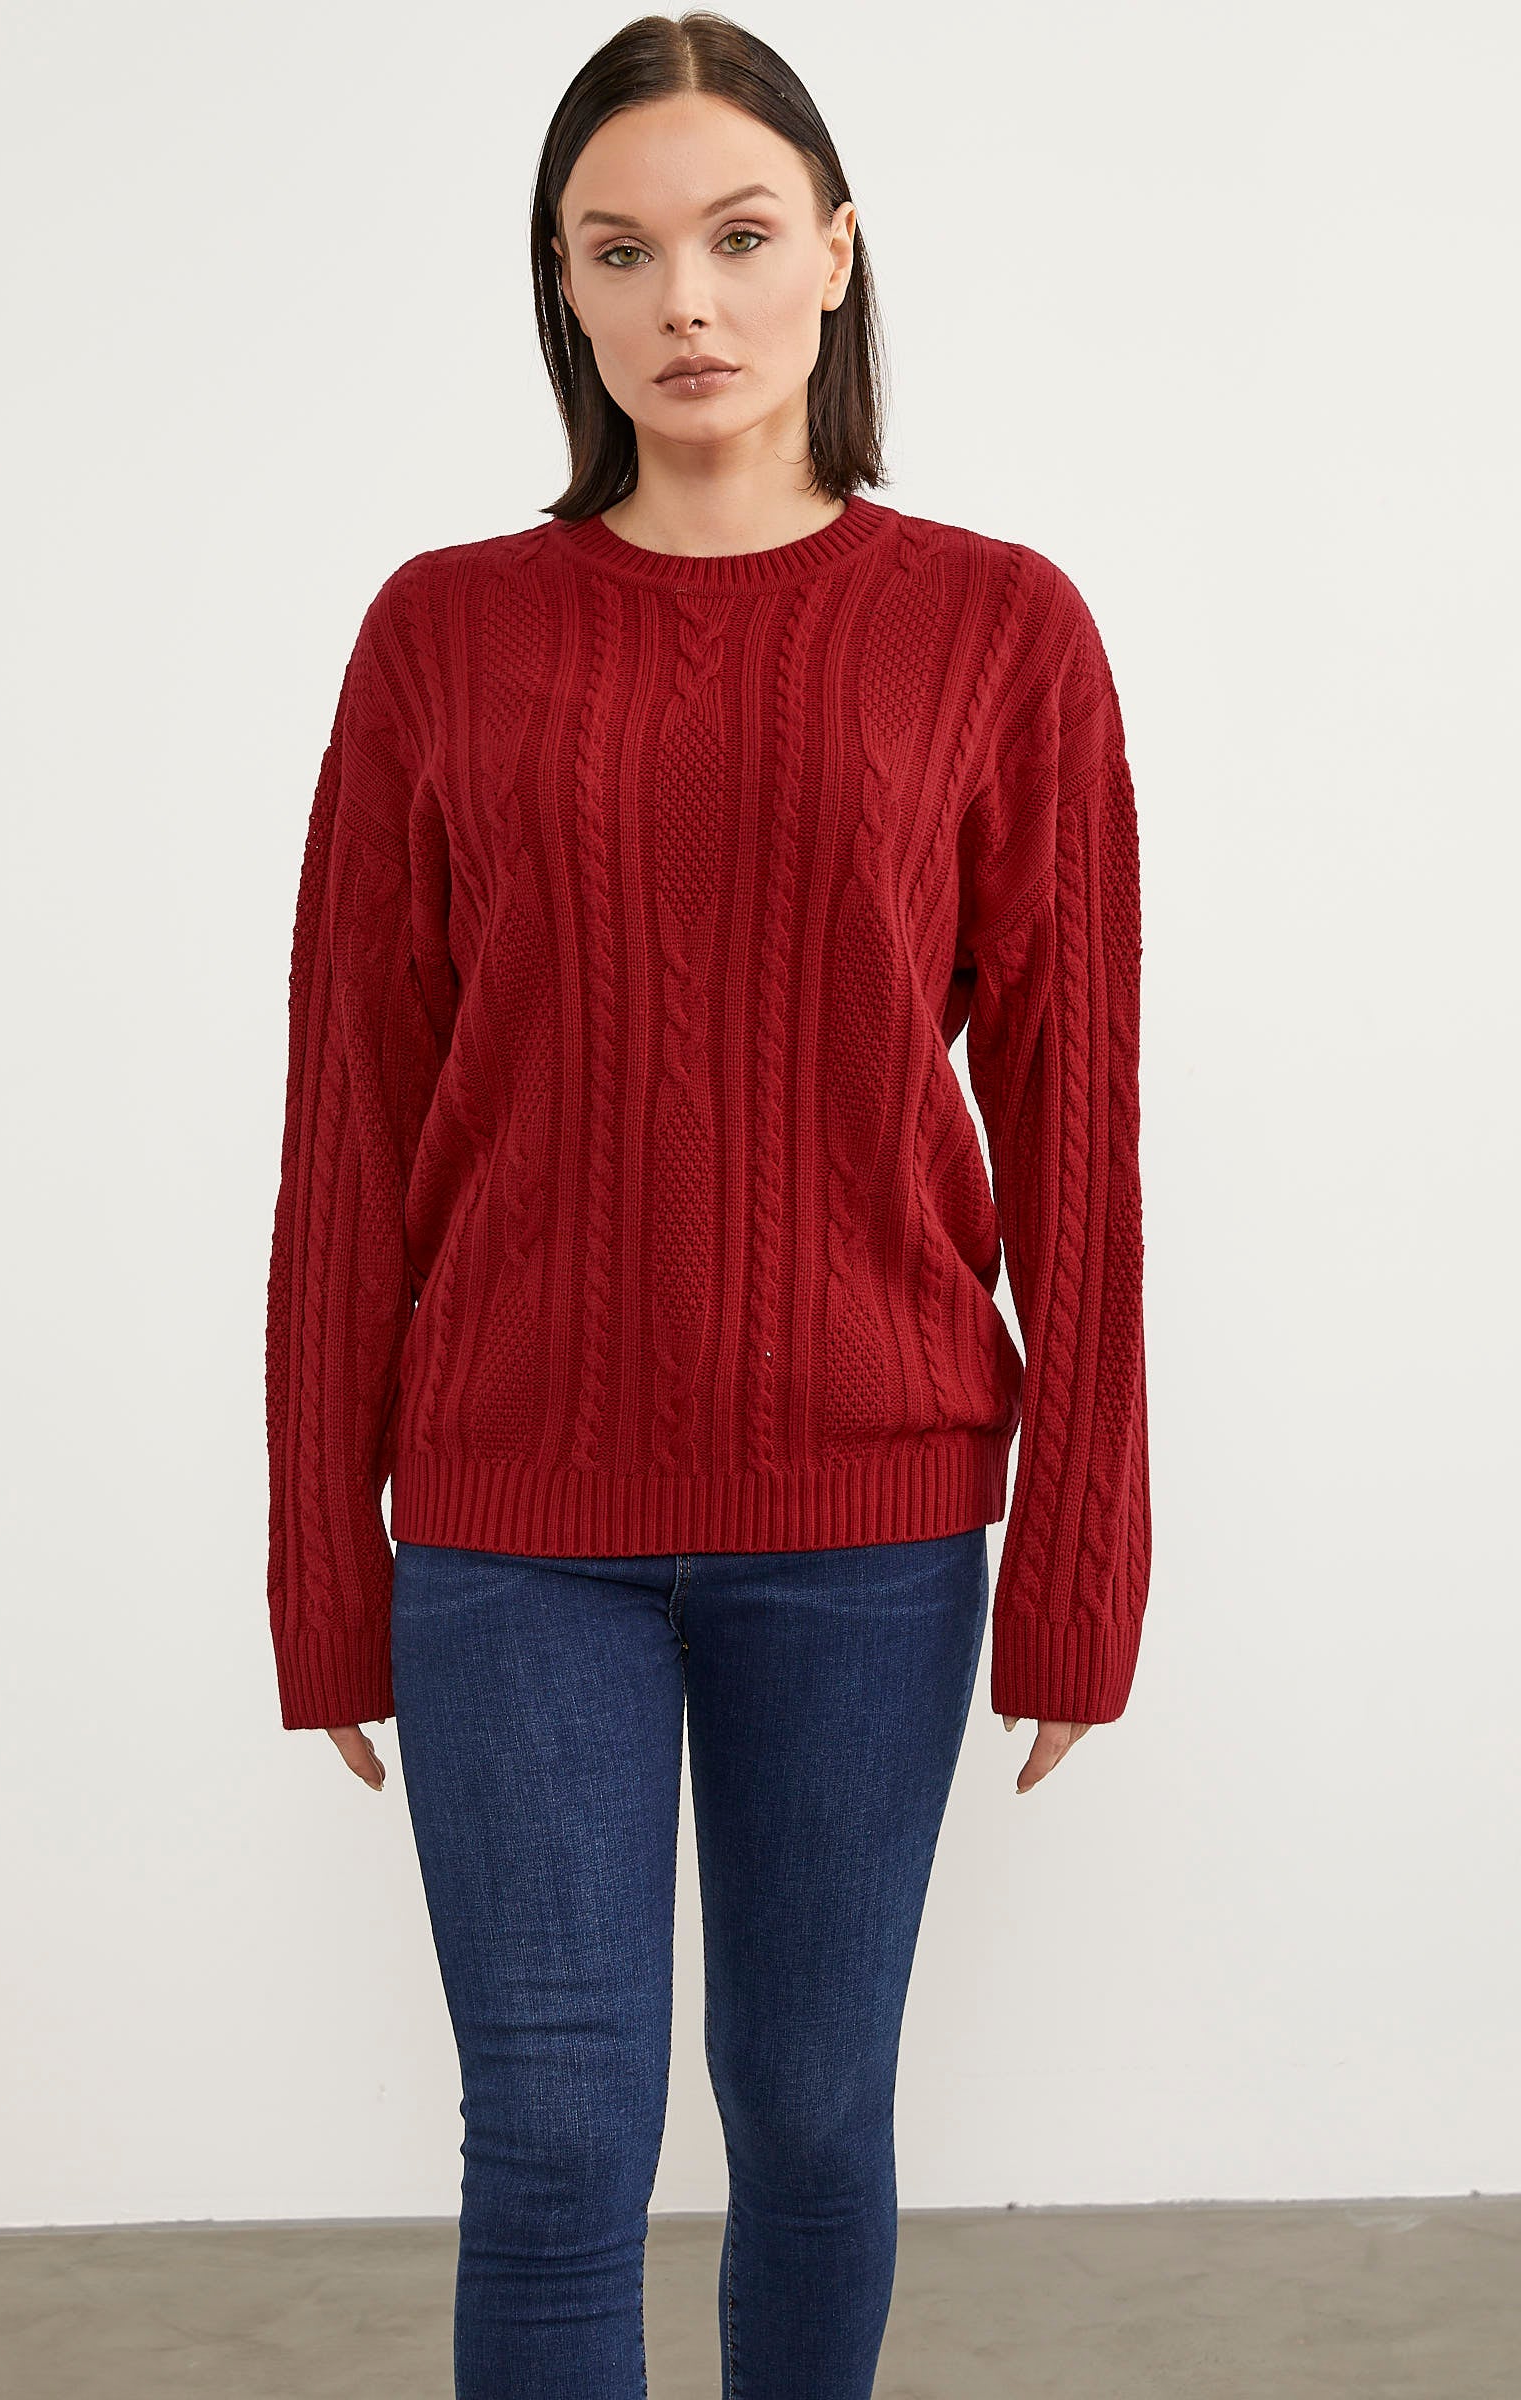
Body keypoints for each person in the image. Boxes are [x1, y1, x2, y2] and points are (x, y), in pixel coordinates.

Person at [263, 12, 1151, 2394]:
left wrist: (1077, 1560)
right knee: (555, 2142)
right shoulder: (441, 634)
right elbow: (346, 1120)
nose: (685, 300)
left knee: (814, 2116)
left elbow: (1073, 1124)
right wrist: (320, 1560)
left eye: (741, 237)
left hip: (863, 1518)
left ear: (837, 257)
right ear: (559, 289)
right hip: (507, 1526)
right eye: (618, 250)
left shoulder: (998, 632)